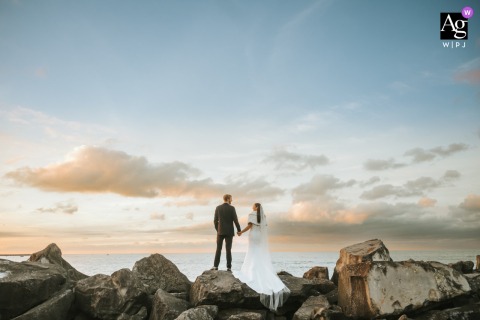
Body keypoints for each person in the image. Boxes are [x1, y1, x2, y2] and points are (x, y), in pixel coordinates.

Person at [237, 203, 290, 311]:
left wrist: (241, 232)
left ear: (256, 207)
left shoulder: (252, 214)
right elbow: (264, 227)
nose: (252, 207)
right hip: (259, 236)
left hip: (253, 235)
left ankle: (251, 269)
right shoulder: (263, 216)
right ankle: (258, 268)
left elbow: (249, 226)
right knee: (257, 252)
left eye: (253, 206)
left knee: (251, 252)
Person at [212, 194, 241, 272]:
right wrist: (239, 230)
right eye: (231, 198)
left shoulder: (218, 208)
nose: (232, 200)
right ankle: (229, 268)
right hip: (229, 232)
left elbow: (215, 221)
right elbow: (235, 220)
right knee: (228, 250)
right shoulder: (232, 208)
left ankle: (215, 266)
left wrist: (218, 230)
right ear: (228, 199)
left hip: (220, 232)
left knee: (218, 249)